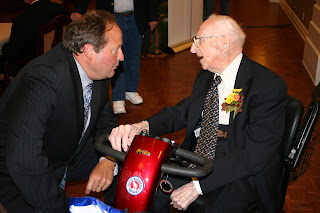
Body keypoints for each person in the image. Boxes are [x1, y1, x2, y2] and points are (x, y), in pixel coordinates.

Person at [107, 14, 288, 212]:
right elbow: (182, 111)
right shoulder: (207, 76)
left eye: (198, 41)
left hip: (240, 172)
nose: (192, 49)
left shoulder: (267, 86)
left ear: (223, 44)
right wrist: (142, 126)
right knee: (142, 186)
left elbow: (253, 156)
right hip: (199, 157)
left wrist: (198, 187)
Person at [0, 10, 124, 213]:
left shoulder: (99, 72)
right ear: (89, 51)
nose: (121, 56)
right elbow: (24, 160)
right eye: (116, 49)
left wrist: (107, 160)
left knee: (129, 165)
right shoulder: (45, 78)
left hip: (63, 154)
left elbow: (106, 122)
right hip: (17, 177)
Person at [71, 0, 159, 114]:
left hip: (136, 17)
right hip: (111, 17)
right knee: (115, 58)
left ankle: (131, 90)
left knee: (134, 57)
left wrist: (153, 15)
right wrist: (79, 10)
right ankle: (118, 98)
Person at [1, 0, 70, 77]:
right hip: (59, 65)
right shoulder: (63, 10)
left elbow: (13, 52)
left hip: (31, 69)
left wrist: (4, 49)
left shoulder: (21, 20)